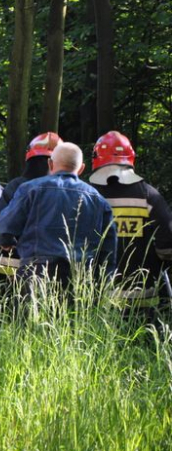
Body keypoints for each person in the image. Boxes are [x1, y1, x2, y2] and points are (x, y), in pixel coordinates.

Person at [0, 142, 117, 293]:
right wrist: (103, 280)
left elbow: (4, 228)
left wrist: (6, 241)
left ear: (50, 164)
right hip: (79, 277)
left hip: (35, 273)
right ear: (82, 168)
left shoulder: (29, 189)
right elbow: (108, 248)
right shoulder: (97, 199)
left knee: (32, 316)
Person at [89, 131, 172, 315]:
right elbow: (167, 248)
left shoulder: (89, 196)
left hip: (98, 301)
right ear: (130, 157)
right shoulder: (149, 195)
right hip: (145, 299)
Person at [0, 132, 62, 277]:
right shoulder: (69, 190)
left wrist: (6, 242)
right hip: (55, 268)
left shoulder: (16, 186)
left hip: (13, 268)